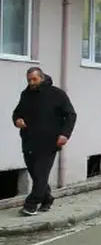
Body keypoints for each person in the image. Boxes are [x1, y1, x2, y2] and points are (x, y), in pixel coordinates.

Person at [11, 66, 76, 217]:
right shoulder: (25, 95)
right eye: (29, 80)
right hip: (28, 140)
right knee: (36, 174)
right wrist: (17, 120)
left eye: (34, 79)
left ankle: (31, 204)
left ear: (42, 77)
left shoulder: (56, 94)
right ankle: (47, 199)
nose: (31, 83)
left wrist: (65, 134)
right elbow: (16, 113)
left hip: (49, 142)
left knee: (40, 173)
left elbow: (71, 115)